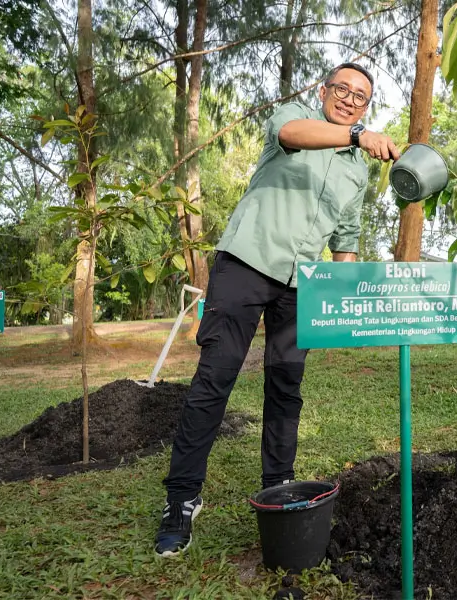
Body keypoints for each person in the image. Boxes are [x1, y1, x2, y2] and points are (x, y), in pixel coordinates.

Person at [154, 62, 400, 556]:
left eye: (362, 97)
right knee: (214, 380)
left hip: (301, 285)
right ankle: (181, 500)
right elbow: (291, 132)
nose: (351, 99)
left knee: (287, 386)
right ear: (324, 90)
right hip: (247, 261)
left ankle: (280, 486)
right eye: (343, 90)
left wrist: (339, 293)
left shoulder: (356, 170)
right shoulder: (296, 117)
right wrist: (355, 134)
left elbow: (345, 236)